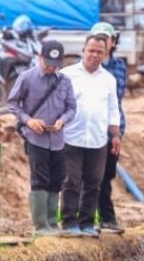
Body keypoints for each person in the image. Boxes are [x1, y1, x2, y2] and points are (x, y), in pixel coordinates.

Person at [7, 40, 76, 237]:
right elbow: (12, 103)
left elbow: (72, 107)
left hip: (58, 139)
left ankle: (52, 223)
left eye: (55, 63)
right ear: (40, 58)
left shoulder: (65, 81)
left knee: (57, 179)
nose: (51, 67)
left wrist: (62, 121)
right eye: (47, 62)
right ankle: (41, 225)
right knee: (40, 179)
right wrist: (29, 121)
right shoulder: (27, 78)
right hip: (36, 139)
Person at [60, 35, 120, 237]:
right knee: (71, 181)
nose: (94, 55)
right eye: (91, 50)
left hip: (97, 139)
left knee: (94, 182)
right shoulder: (66, 75)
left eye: (99, 52)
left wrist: (115, 136)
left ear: (105, 54)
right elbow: (57, 104)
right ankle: (69, 222)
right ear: (83, 50)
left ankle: (87, 223)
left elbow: (113, 109)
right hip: (70, 136)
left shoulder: (109, 79)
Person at [89, 22, 127, 234]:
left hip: (112, 130)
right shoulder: (82, 66)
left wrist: (116, 133)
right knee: (90, 177)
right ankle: (92, 218)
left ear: (113, 42)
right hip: (89, 130)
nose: (102, 43)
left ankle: (106, 218)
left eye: (107, 39)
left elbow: (117, 99)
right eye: (98, 38)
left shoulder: (118, 66)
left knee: (107, 175)